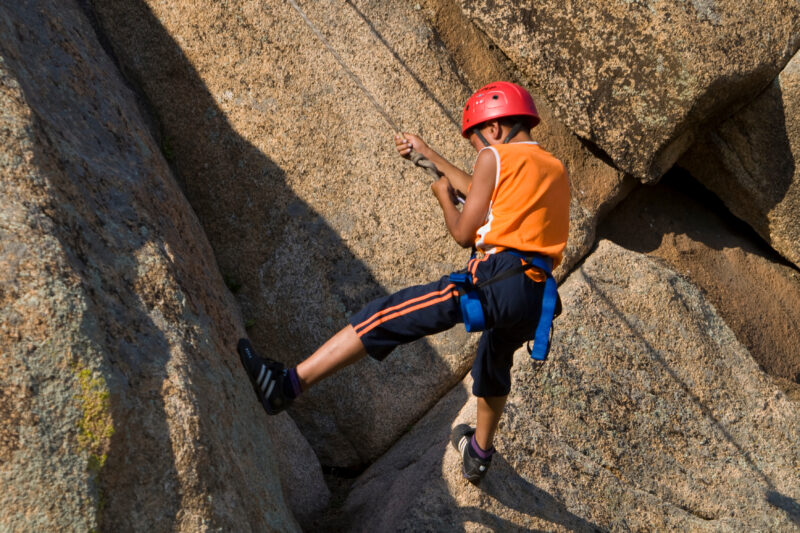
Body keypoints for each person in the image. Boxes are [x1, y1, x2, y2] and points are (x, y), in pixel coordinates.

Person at [238, 81, 570, 483]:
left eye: (477, 141)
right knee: (495, 359)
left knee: (389, 315)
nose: (478, 150)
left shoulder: (493, 156)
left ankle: (287, 385)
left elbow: (464, 231)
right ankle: (479, 452)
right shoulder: (553, 167)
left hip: (498, 277)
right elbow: (484, 193)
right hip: (536, 295)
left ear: (494, 129)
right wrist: (427, 155)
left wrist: (442, 197)